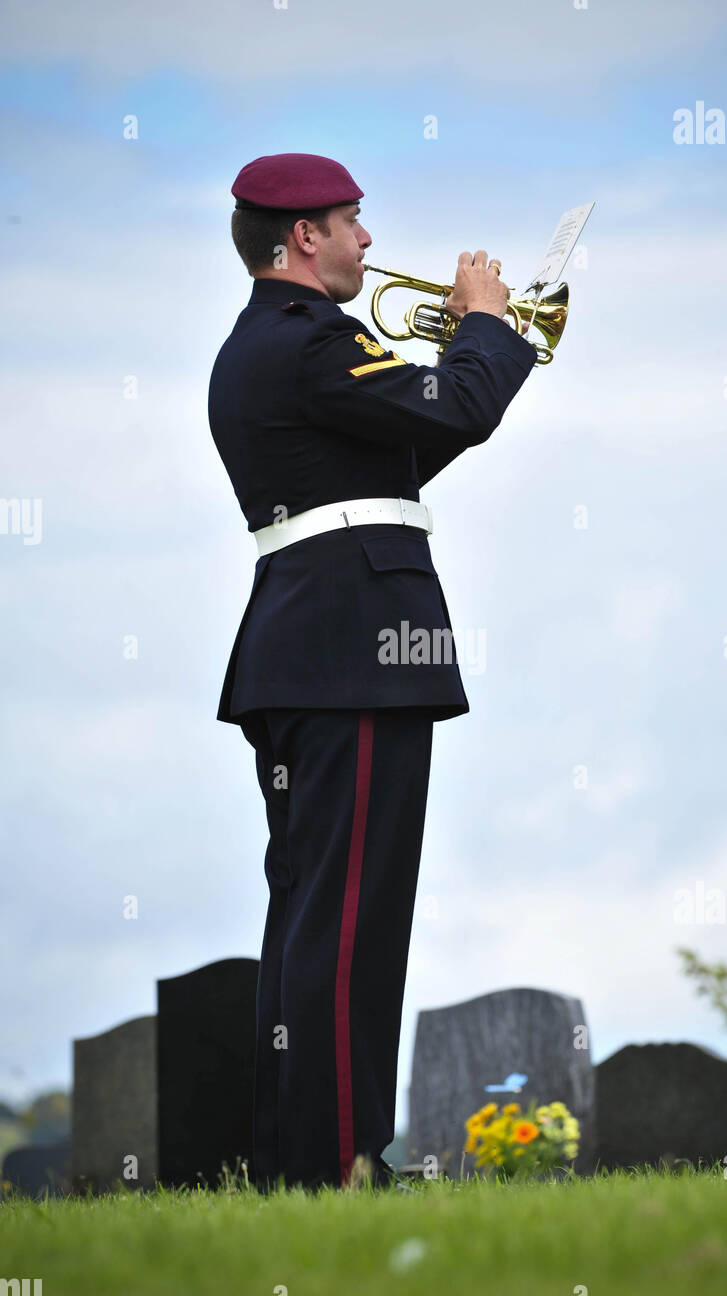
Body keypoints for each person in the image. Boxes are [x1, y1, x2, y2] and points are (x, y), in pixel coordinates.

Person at [208, 152, 537, 1193]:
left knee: (315, 917)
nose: (365, 241)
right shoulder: (309, 340)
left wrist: (480, 362)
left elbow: (399, 452)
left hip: (315, 649)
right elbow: (456, 410)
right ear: (302, 236)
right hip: (350, 650)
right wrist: (487, 323)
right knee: (350, 923)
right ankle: (340, 1164)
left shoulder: (268, 348)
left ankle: (305, 1162)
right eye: (352, 222)